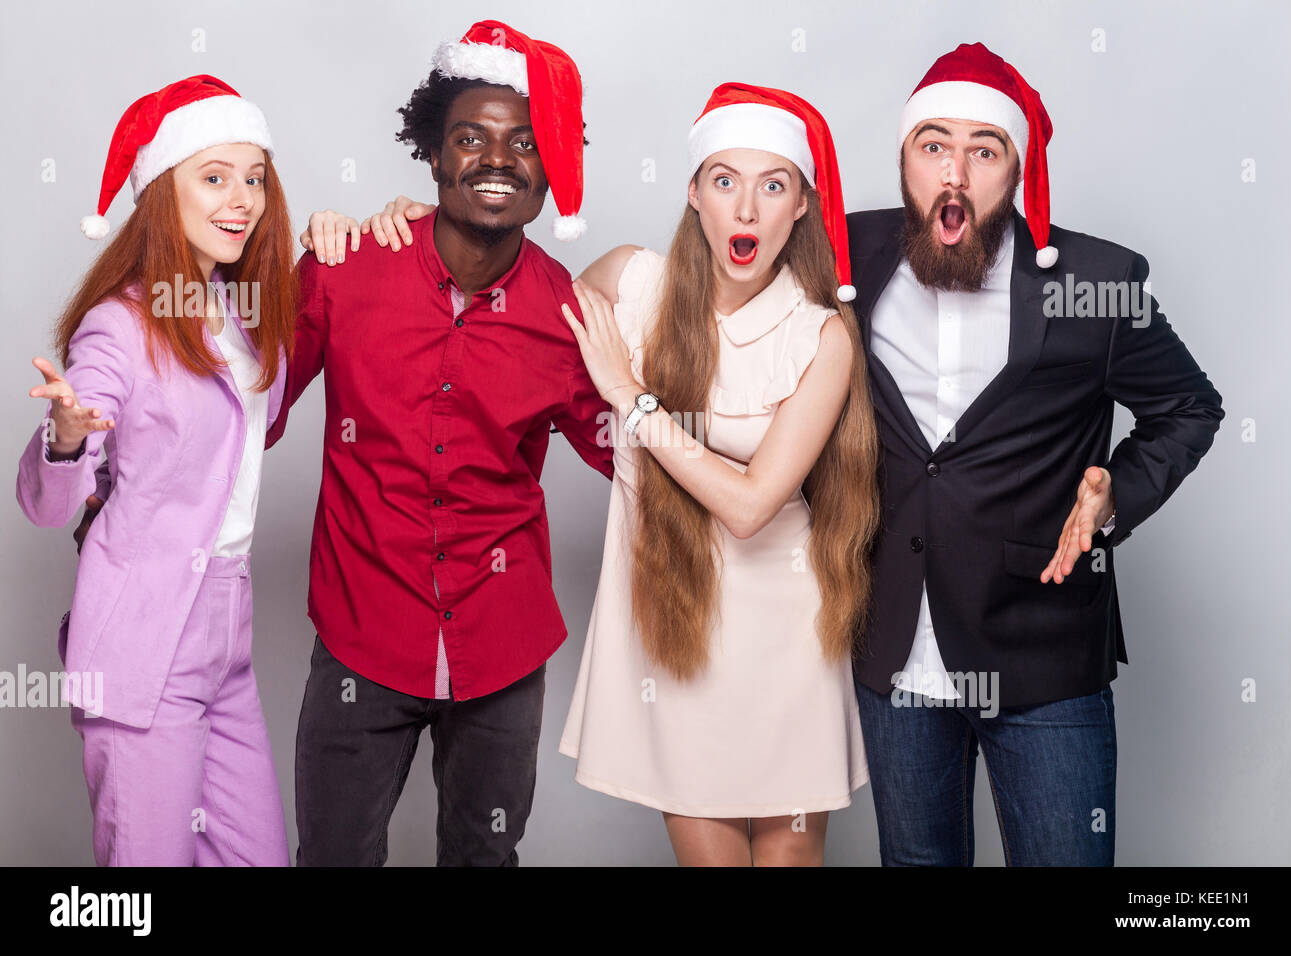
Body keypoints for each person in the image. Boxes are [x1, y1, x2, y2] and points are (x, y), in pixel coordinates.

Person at [846, 42, 1225, 865]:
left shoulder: (1096, 281)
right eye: (933, 144)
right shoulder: (844, 259)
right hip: (896, 652)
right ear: (904, 159)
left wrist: (1113, 497)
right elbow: (721, 262)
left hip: (1044, 654)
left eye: (984, 150)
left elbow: (1191, 408)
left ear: (1017, 169)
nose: (955, 174)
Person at [269, 21, 614, 867]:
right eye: (471, 137)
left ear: (549, 172)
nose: (497, 159)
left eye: (524, 144)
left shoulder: (566, 312)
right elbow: (248, 407)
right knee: (336, 856)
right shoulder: (347, 270)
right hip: (361, 635)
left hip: (501, 645)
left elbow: (633, 455)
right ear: (432, 155)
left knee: (483, 858)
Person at [559, 84, 878, 865]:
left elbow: (749, 506)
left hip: (787, 640)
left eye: (773, 186)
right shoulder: (632, 283)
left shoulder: (821, 336)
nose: (746, 209)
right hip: (676, 628)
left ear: (800, 205)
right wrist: (401, 220)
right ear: (693, 192)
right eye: (725, 180)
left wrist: (631, 401)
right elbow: (506, 309)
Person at [15, 75, 296, 866]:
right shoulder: (118, 323)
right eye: (214, 177)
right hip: (147, 640)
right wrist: (67, 437)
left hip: (228, 636)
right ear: (160, 194)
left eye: (254, 177)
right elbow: (44, 497)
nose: (241, 198)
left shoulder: (241, 317)